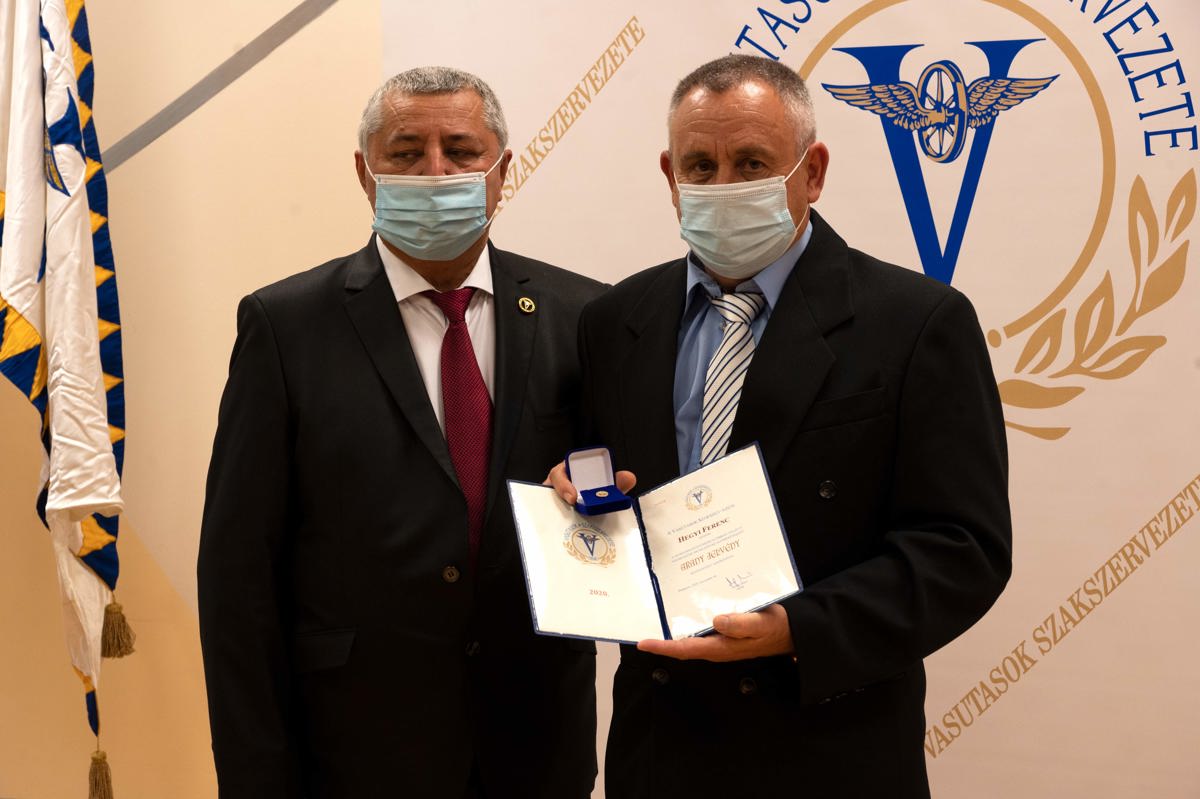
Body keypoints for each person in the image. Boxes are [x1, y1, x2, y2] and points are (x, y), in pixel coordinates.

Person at [549, 54, 1012, 798]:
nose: (724, 185)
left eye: (752, 163)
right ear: (670, 175)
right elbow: (597, 488)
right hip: (660, 748)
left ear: (813, 170)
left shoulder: (917, 323)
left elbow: (963, 550)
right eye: (700, 166)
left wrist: (799, 628)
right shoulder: (614, 321)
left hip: (829, 748)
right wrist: (575, 493)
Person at [198, 67, 603, 798]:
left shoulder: (584, 316)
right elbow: (238, 581)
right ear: (366, 173)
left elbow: (624, 498)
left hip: (535, 744)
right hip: (354, 753)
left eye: (461, 151)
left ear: (502, 170)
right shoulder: (285, 328)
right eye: (407, 152)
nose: (435, 173)